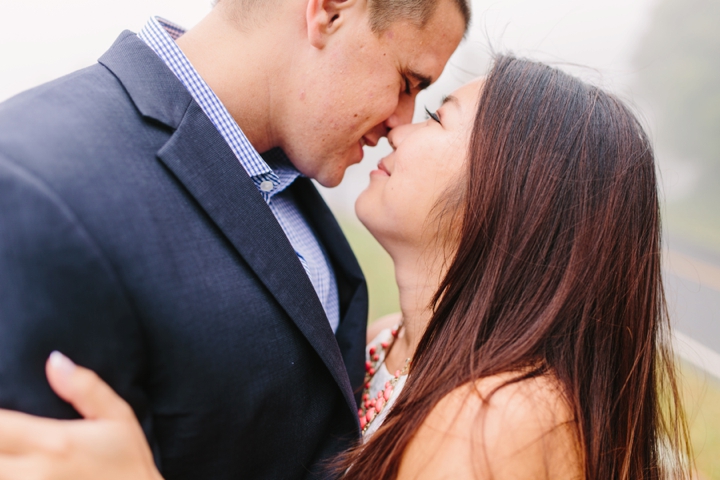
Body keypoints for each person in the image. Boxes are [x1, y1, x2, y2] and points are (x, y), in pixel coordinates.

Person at [0, 56, 692, 479]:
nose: (400, 124)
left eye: (440, 116)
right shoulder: (390, 344)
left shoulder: (499, 417)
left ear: (513, 191)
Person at [0, 0, 469, 478]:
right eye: (408, 83)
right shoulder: (31, 181)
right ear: (329, 13)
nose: (402, 123)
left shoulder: (290, 175)